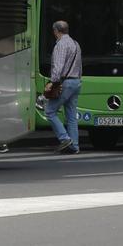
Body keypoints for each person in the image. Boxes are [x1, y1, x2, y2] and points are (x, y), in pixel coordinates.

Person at [45, 20, 83, 155]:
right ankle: (74, 146)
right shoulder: (75, 44)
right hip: (76, 82)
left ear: (56, 31)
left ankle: (65, 138)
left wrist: (52, 82)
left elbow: (58, 67)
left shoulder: (61, 45)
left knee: (49, 111)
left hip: (65, 83)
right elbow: (79, 66)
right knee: (72, 116)